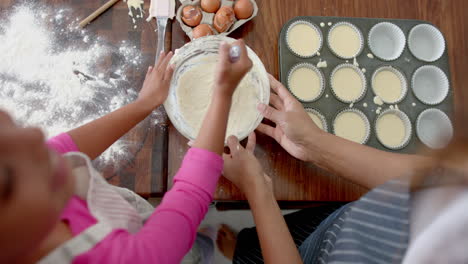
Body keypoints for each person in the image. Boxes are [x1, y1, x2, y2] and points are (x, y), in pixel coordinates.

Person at [0, 39, 253, 264]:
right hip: (165, 250)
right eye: (7, 179)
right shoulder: (119, 258)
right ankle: (201, 250)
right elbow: (188, 197)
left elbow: (66, 147)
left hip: (123, 212)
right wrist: (222, 94)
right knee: (189, 250)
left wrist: (144, 104)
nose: (35, 137)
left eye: (7, 123)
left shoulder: (35, 175)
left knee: (181, 231)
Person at [217, 74, 468, 263]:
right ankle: (242, 248)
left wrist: (257, 189)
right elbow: (428, 178)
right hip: (343, 225)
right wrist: (315, 145)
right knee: (254, 244)